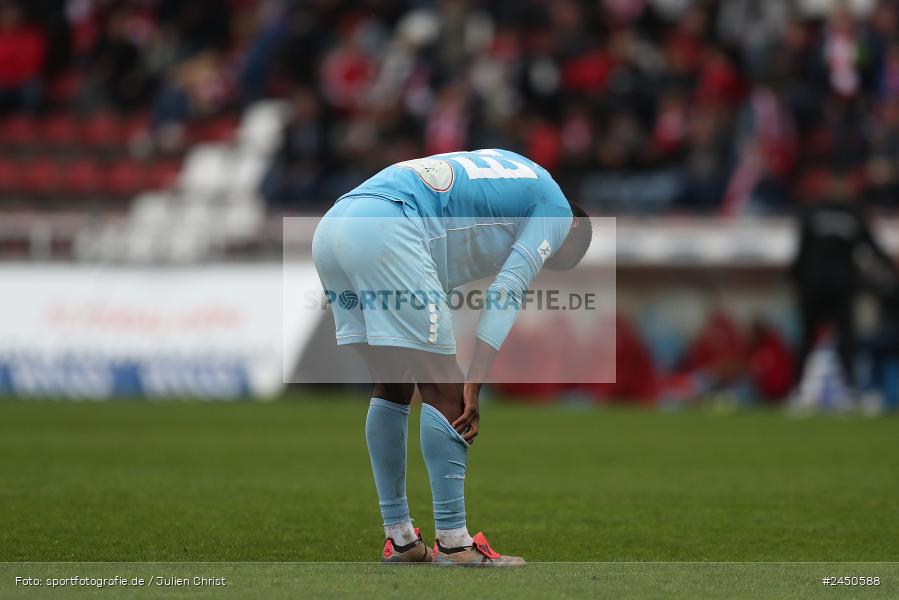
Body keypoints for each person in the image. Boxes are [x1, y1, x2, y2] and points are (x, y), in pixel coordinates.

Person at [312, 149, 592, 566]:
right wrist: (474, 382)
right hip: (390, 226)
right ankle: (455, 544)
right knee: (445, 384)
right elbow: (506, 289)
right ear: (570, 230)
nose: (544, 261)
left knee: (391, 384)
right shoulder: (554, 208)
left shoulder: (513, 174)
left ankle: (401, 539)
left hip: (335, 225)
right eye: (551, 258)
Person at [790, 170, 893, 392]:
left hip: (842, 288)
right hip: (814, 287)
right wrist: (796, 282)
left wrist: (890, 264)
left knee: (847, 340)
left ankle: (850, 390)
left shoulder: (854, 214)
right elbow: (801, 252)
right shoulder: (813, 212)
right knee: (808, 339)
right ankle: (797, 390)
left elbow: (871, 246)